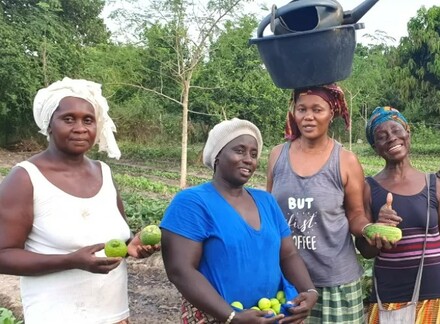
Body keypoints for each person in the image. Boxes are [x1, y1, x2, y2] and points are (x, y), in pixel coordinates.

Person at [0, 77, 160, 324]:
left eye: (88, 120)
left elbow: (110, 243)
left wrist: (130, 246)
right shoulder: (25, 178)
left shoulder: (104, 172)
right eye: (68, 119)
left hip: (114, 315)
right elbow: (3, 254)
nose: (80, 128)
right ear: (49, 125)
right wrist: (70, 261)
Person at [160, 118, 318, 324]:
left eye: (253, 154)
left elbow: (288, 255)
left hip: (270, 315)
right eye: (239, 150)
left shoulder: (267, 201)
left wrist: (309, 291)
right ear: (217, 156)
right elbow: (180, 270)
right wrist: (232, 316)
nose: (248, 159)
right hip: (217, 318)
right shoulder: (192, 202)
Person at [266, 84, 373, 323]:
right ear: (293, 112)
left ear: (331, 113)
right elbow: (269, 214)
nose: (308, 117)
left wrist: (368, 229)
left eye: (317, 109)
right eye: (301, 109)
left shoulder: (345, 161)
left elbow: (356, 215)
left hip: (336, 283)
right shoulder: (277, 156)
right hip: (287, 282)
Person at [355, 106, 440, 324]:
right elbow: (366, 250)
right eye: (382, 136)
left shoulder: (435, 186)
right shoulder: (369, 188)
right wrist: (377, 229)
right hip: (390, 295)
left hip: (437, 293)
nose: (391, 138)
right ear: (375, 147)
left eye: (396, 130)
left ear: (408, 133)